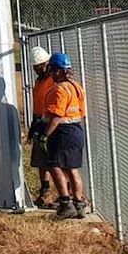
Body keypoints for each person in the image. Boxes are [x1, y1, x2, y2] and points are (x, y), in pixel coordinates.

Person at [42, 53, 89, 219]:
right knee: (72, 169)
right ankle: (79, 204)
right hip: (77, 129)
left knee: (55, 166)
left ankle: (66, 203)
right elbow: (82, 111)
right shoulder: (76, 87)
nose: (52, 74)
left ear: (58, 71)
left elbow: (57, 115)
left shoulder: (59, 90)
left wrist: (45, 134)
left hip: (62, 132)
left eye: (53, 70)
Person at [25, 46, 57, 208]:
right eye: (35, 67)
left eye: (38, 66)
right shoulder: (39, 81)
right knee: (41, 162)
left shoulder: (53, 80)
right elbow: (38, 105)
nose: (36, 69)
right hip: (39, 122)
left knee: (54, 161)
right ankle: (45, 192)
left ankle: (67, 193)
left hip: (50, 124)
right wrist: (33, 125)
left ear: (46, 64)